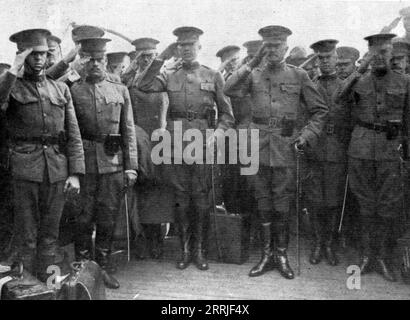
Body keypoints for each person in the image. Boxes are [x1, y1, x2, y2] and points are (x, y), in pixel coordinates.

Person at [224, 25, 328, 279]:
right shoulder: (253, 74)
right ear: (263, 48)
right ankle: (266, 255)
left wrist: (305, 137)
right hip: (257, 148)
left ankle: (281, 254)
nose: (272, 50)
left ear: (286, 48)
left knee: (282, 204)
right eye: (267, 46)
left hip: (285, 147)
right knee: (262, 202)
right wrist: (252, 61)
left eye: (276, 46)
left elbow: (320, 111)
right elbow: (228, 88)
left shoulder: (299, 75)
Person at [138, 26, 234, 271]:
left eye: (191, 45)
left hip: (202, 141)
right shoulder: (169, 74)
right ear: (177, 48)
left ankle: (199, 251)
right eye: (182, 46)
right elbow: (143, 83)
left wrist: (217, 135)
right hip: (175, 142)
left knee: (201, 198)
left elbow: (227, 115)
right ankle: (184, 250)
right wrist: (162, 57)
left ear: (199, 47)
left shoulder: (213, 76)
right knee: (180, 198)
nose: (187, 50)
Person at [0, 29, 84, 280]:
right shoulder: (12, 87)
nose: (39, 59)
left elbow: (73, 134)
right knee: (26, 232)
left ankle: (49, 281)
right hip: (25, 169)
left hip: (56, 169)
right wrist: (13, 70)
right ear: (22, 56)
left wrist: (76, 173)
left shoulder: (60, 90)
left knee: (50, 232)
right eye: (32, 54)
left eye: (43, 54)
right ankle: (25, 285)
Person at [336, 33, 409, 282]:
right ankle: (367, 256)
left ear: (392, 54)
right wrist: (360, 69)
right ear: (368, 54)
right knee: (365, 203)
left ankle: (381, 257)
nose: (380, 57)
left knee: (388, 204)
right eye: (374, 52)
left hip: (390, 149)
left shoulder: (404, 82)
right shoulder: (358, 82)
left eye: (384, 52)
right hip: (361, 148)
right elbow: (339, 97)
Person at [70, 37, 138, 289]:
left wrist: (131, 166)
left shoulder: (119, 89)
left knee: (108, 217)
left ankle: (103, 269)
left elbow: (128, 130)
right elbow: (70, 132)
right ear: (83, 61)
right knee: (83, 218)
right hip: (85, 163)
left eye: (100, 59)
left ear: (106, 60)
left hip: (113, 163)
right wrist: (73, 169)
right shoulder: (73, 90)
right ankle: (83, 270)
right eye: (89, 59)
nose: (95, 64)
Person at [123, 37, 174, 259]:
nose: (147, 59)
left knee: (160, 190)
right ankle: (138, 238)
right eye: (142, 56)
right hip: (137, 138)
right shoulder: (131, 79)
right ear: (136, 58)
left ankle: (157, 238)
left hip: (161, 138)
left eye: (151, 55)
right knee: (138, 191)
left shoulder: (167, 77)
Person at [305, 39, 348, 266]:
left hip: (337, 149)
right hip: (315, 148)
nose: (325, 62)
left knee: (332, 200)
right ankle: (318, 244)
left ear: (336, 58)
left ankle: (330, 245)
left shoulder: (347, 85)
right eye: (320, 58)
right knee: (314, 200)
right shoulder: (309, 84)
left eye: (329, 57)